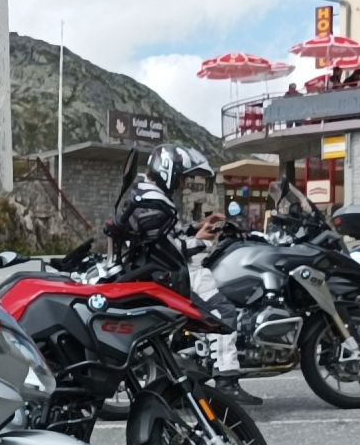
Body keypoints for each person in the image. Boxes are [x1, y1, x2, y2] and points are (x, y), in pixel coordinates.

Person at [111, 144, 262, 406]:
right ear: (168, 171)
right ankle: (226, 381)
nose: (181, 184)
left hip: (158, 269)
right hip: (169, 273)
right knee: (223, 313)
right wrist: (203, 241)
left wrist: (199, 227)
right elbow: (171, 250)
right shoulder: (153, 202)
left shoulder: (148, 195)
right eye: (180, 177)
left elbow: (168, 236)